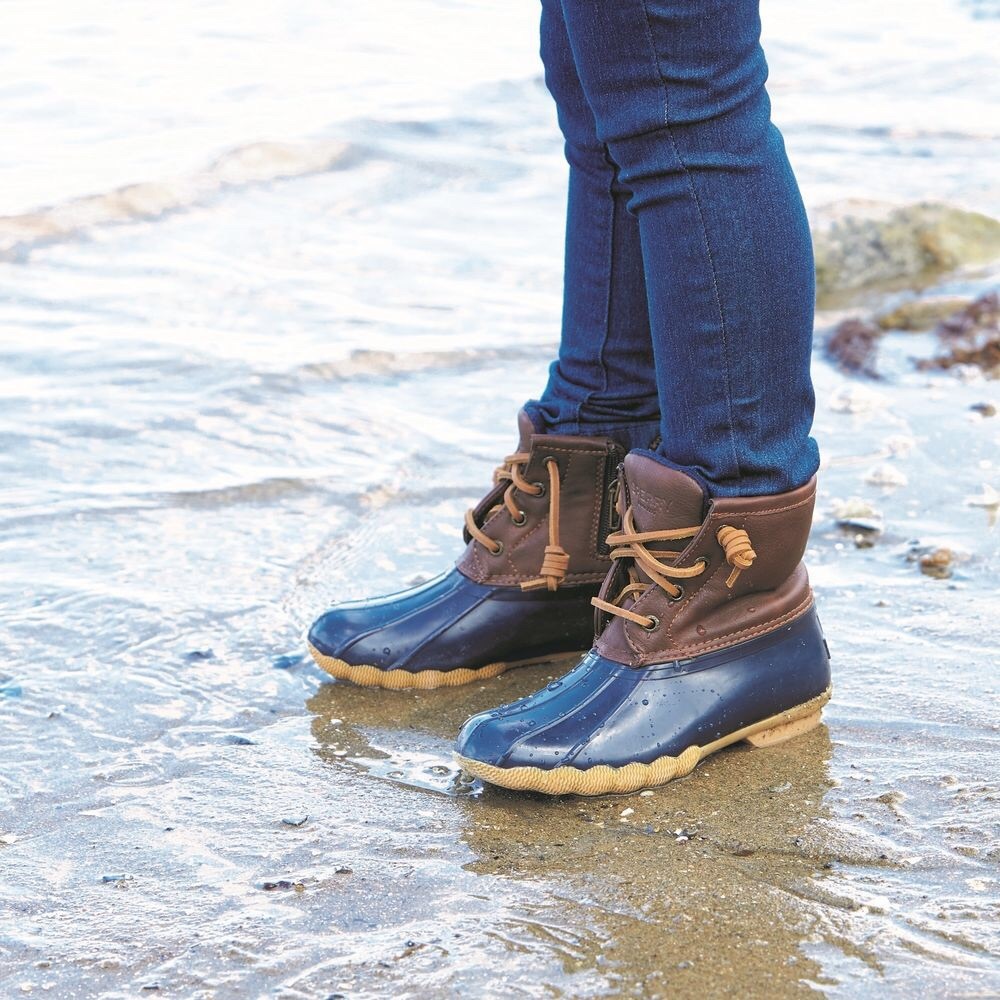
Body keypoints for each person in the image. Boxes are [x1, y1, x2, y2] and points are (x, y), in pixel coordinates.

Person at [307, 0, 831, 795]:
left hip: (736, 574)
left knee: (677, 86)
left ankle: (734, 599)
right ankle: (580, 535)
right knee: (602, 87)